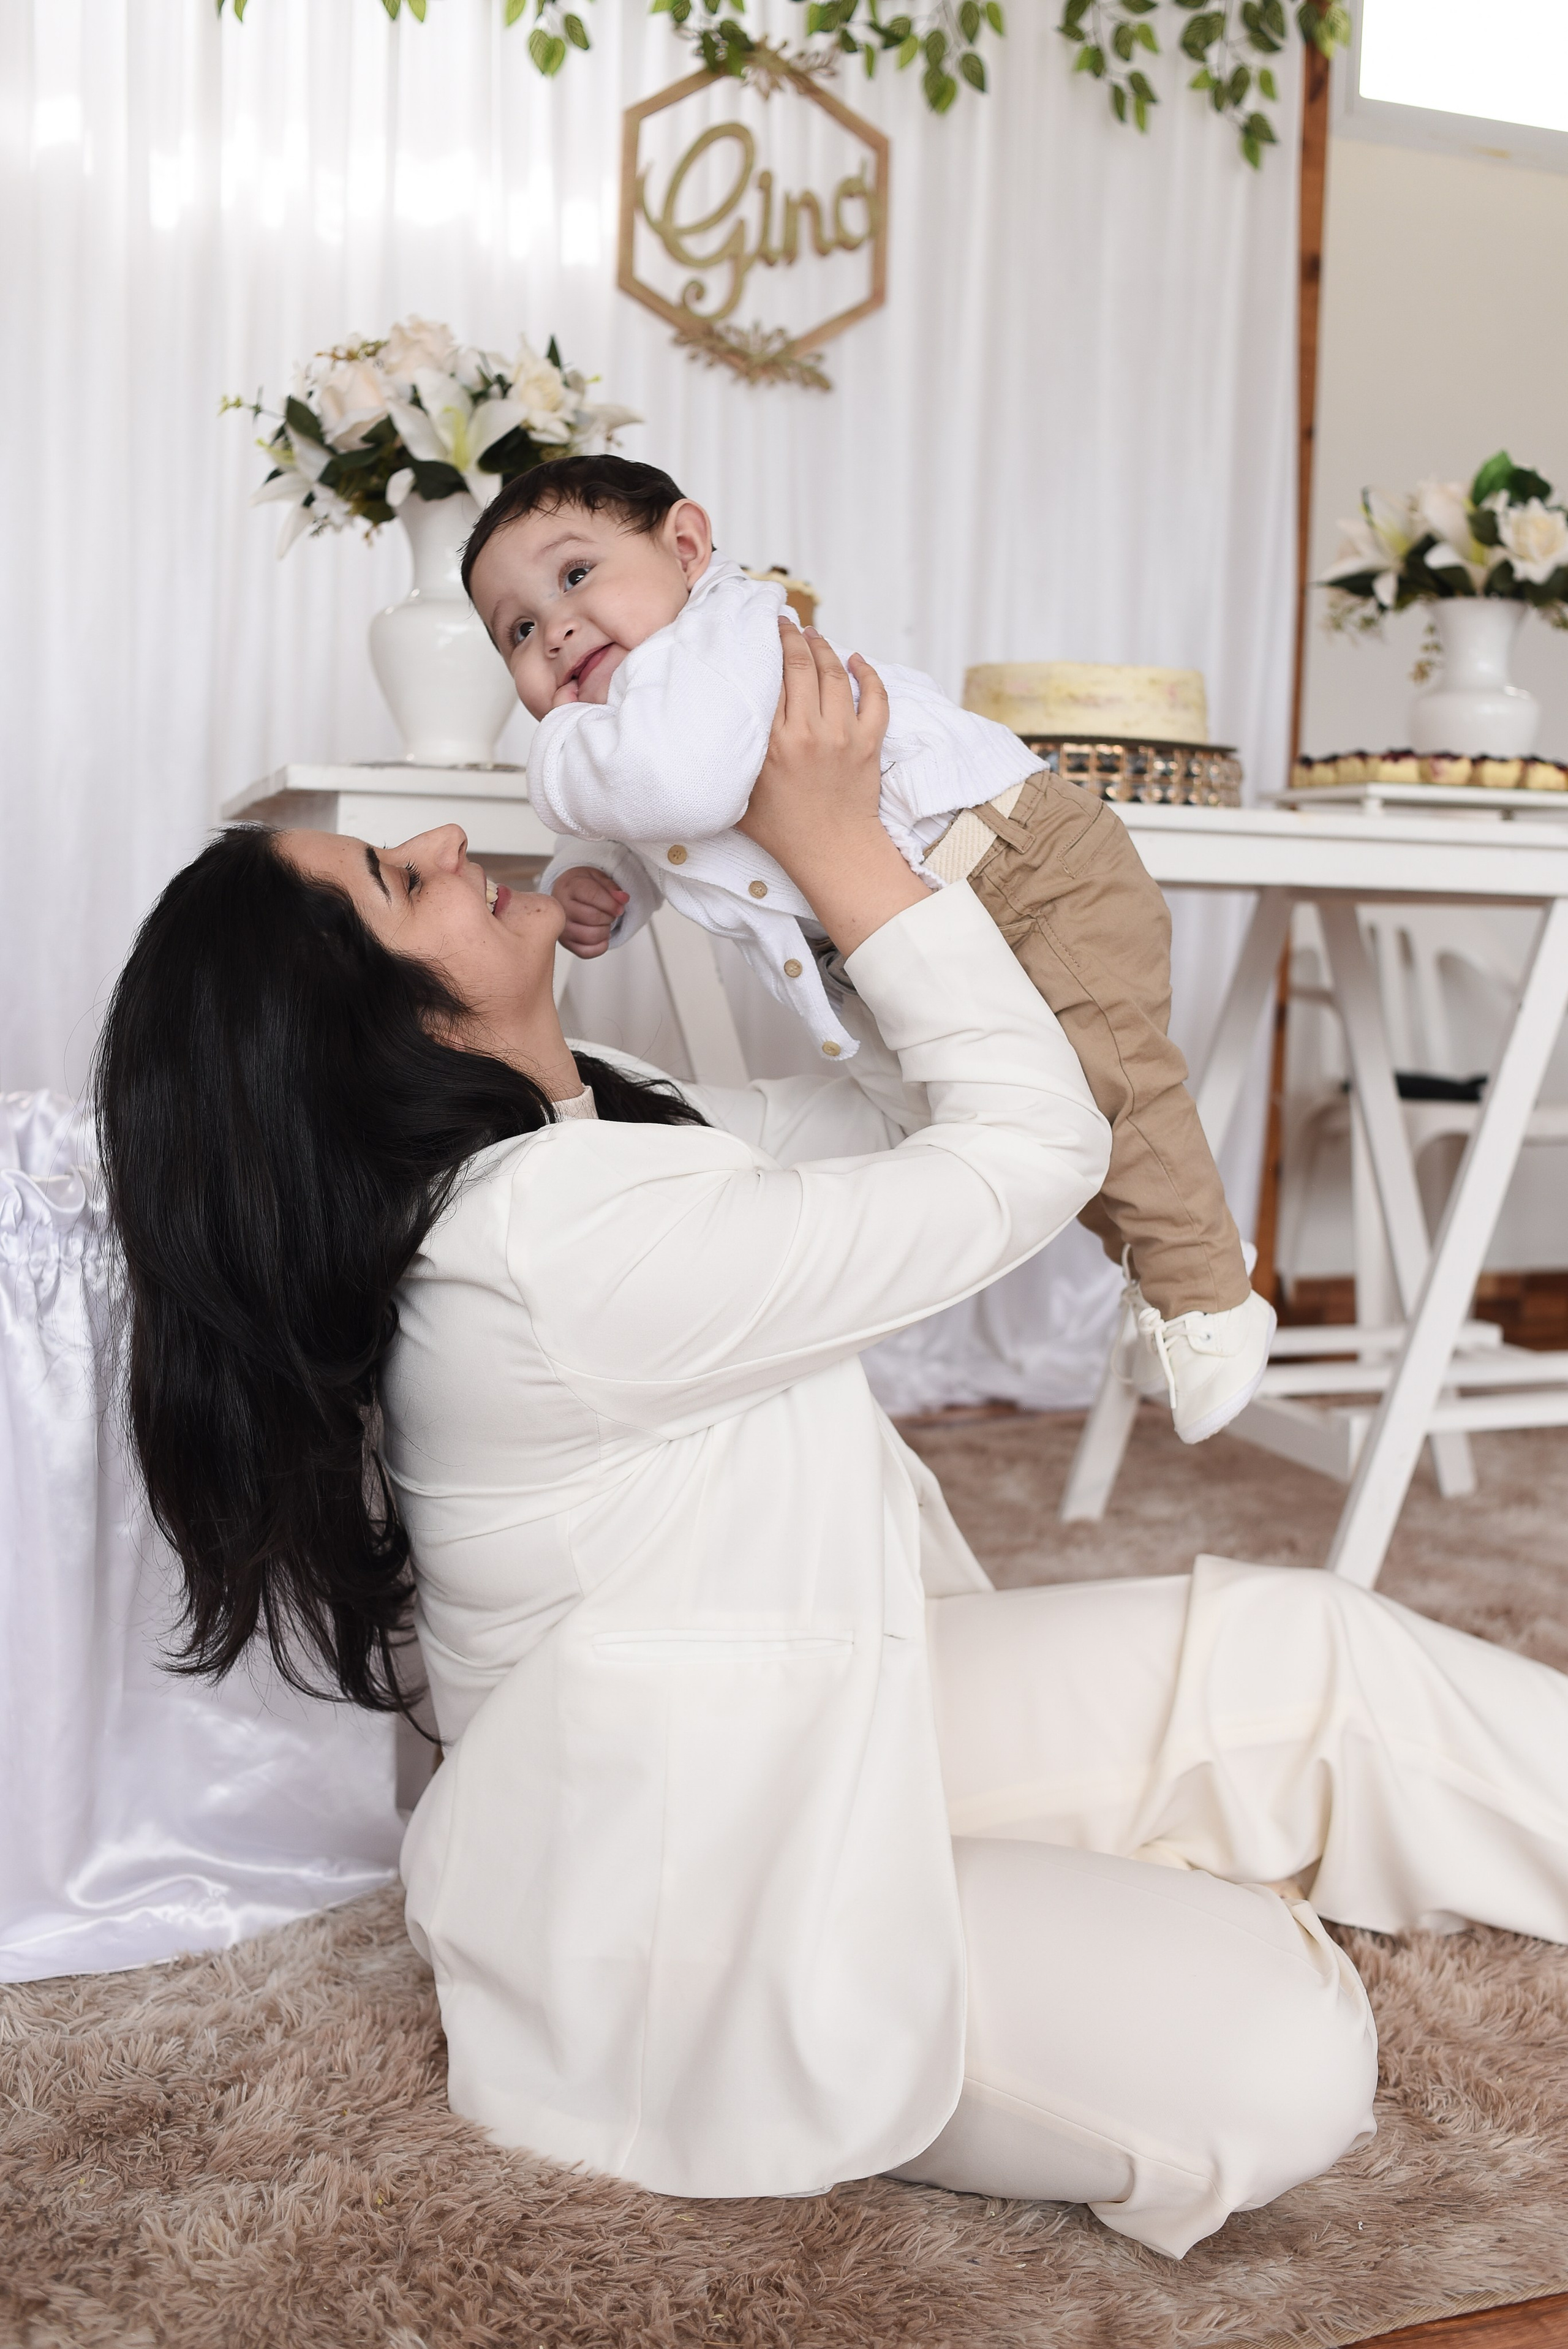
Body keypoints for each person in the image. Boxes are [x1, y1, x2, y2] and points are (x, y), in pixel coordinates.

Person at [97, 628, 1568, 2261]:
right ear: (365, 1025)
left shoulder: (592, 1119)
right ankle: (1092, 1902)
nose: (447, 840)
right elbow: (1025, 1155)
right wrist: (839, 845)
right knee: (1280, 2056)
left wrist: (806, 863)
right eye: (396, 878)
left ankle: (1111, 1856)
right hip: (688, 1904)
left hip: (816, 1719)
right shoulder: (541, 1250)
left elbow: (906, 1115)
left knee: (1313, 1653)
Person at [461, 453, 1275, 1447]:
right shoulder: (647, 715)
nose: (555, 628)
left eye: (577, 575)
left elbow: (676, 785)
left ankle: (1208, 1291)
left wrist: (550, 747)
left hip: (1027, 874)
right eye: (518, 630)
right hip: (924, 919)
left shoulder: (719, 636)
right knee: (1048, 1118)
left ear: (687, 548)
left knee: (1119, 1085)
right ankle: (1173, 1255)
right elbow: (663, 818)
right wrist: (600, 878)